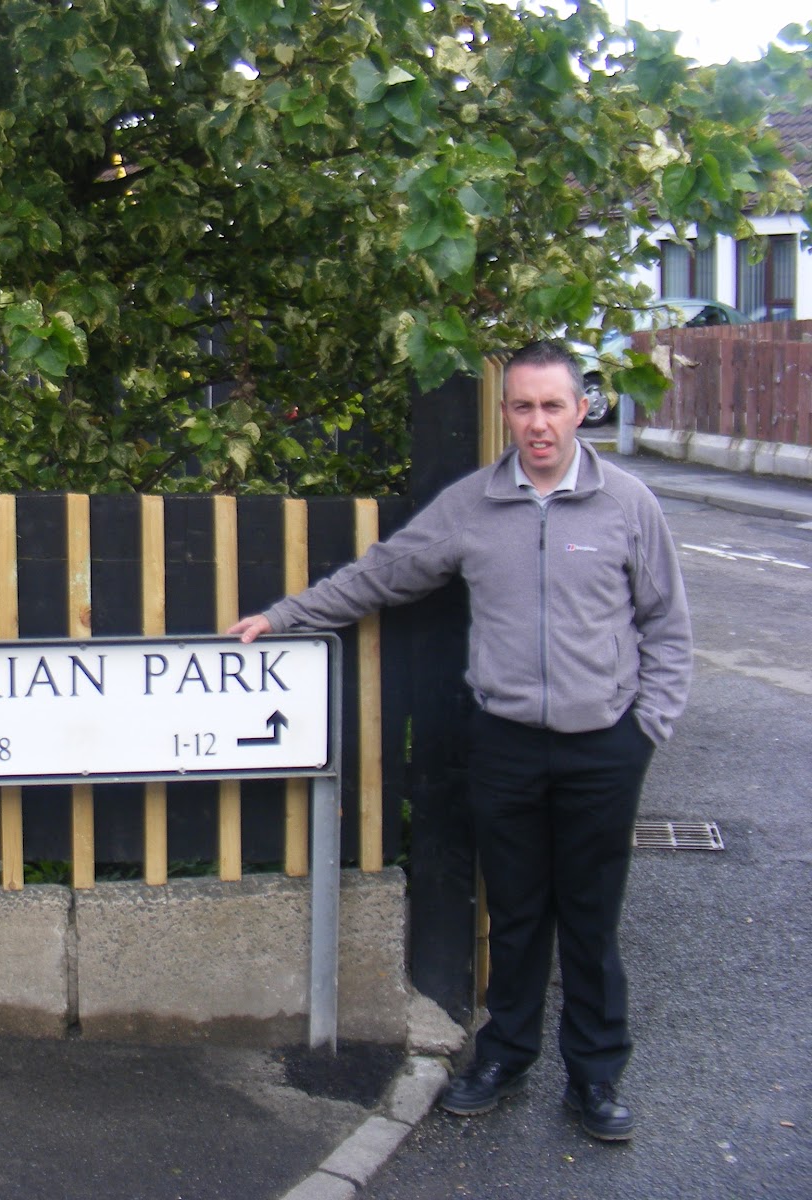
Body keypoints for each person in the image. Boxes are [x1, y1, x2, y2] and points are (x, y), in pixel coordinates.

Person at [229, 340, 691, 1142]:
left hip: (602, 748)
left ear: (583, 409)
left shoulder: (628, 505)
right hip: (506, 745)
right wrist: (285, 616)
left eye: (553, 406)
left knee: (590, 918)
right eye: (523, 407)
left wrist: (644, 730)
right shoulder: (474, 505)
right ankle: (504, 1056)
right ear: (504, 413)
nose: (538, 424)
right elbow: (385, 572)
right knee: (512, 915)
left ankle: (596, 1077)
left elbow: (667, 627)